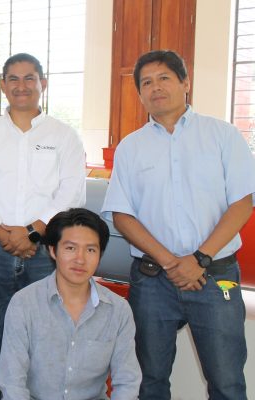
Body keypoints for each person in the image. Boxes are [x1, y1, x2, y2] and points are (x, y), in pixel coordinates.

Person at [102, 50, 254, 399]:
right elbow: (123, 215)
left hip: (216, 277)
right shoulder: (131, 147)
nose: (155, 87)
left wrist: (198, 258)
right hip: (154, 279)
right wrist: (174, 263)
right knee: (149, 379)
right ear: (139, 93)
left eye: (164, 78)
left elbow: (242, 204)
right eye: (146, 82)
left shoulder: (223, 135)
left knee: (227, 382)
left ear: (185, 83)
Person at [0, 52, 87, 400]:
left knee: (46, 336)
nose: (21, 86)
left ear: (42, 84)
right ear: (3, 86)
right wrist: (6, 235)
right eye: (13, 79)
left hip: (44, 252)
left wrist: (32, 231)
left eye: (29, 78)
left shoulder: (64, 135)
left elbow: (72, 191)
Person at [0, 208, 141, 399]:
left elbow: (127, 382)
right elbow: (12, 381)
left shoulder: (118, 310)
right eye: (70, 248)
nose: (80, 259)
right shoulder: (24, 303)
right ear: (53, 251)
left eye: (90, 250)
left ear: (100, 255)